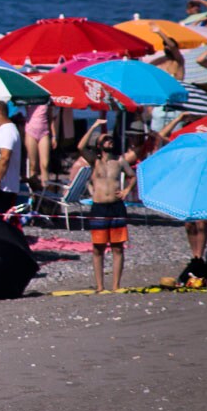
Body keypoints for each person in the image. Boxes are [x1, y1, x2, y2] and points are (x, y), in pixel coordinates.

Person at [78, 121, 137, 292]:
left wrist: (126, 190)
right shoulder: (94, 161)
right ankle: (99, 286)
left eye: (111, 139)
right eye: (106, 139)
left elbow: (132, 176)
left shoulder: (119, 161)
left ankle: (116, 286)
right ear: (98, 145)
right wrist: (94, 127)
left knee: (118, 247)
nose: (110, 141)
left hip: (116, 206)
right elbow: (80, 146)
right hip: (99, 208)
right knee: (98, 248)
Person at [23, 101, 56, 191]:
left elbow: (50, 118)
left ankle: (44, 191)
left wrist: (54, 136)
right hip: (30, 131)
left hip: (44, 132)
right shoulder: (29, 97)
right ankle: (33, 192)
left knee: (44, 164)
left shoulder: (46, 99)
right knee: (33, 165)